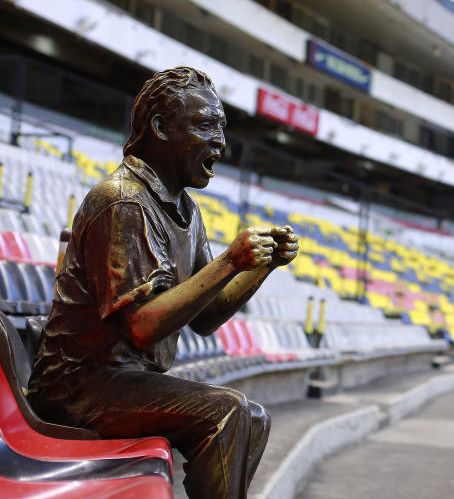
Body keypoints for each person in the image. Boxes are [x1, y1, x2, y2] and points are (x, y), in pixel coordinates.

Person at [28, 66, 299, 499]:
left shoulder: (186, 209)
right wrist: (231, 259)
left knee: (253, 417)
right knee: (226, 414)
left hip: (123, 380)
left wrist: (259, 266)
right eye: (207, 125)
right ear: (160, 127)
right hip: (80, 385)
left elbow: (206, 318)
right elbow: (142, 326)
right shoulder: (124, 201)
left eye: (222, 128)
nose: (221, 142)